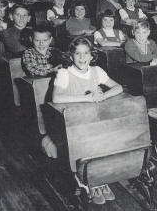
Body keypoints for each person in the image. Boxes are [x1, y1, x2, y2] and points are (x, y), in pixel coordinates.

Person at [50, 36, 123, 204]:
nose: (82, 58)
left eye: (85, 53)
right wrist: (88, 99)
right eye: (77, 54)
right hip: (73, 124)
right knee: (89, 141)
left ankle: (100, 179)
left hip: (95, 121)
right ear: (71, 56)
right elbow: (56, 98)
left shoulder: (97, 71)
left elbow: (118, 87)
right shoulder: (64, 73)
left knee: (109, 137)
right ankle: (88, 182)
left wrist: (103, 96)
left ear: (91, 56)